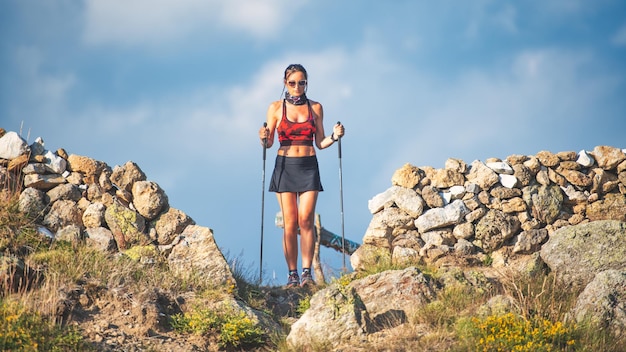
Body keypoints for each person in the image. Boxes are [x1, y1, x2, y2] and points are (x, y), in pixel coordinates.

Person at [259, 64, 345, 287]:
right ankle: (292, 274)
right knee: (290, 222)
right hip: (285, 165)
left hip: (308, 165)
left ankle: (307, 273)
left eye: (302, 82)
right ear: (285, 83)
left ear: (307, 83)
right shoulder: (276, 108)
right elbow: (268, 143)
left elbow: (320, 142)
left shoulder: (315, 107)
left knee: (306, 220)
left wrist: (335, 137)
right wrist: (263, 137)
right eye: (292, 83)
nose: (297, 87)